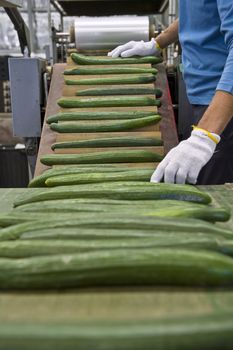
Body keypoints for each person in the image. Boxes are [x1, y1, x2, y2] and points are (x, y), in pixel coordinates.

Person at [108, 1, 233, 185]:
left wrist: (205, 136)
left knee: (213, 199)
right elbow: (199, 13)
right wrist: (157, 43)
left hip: (222, 108)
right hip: (199, 95)